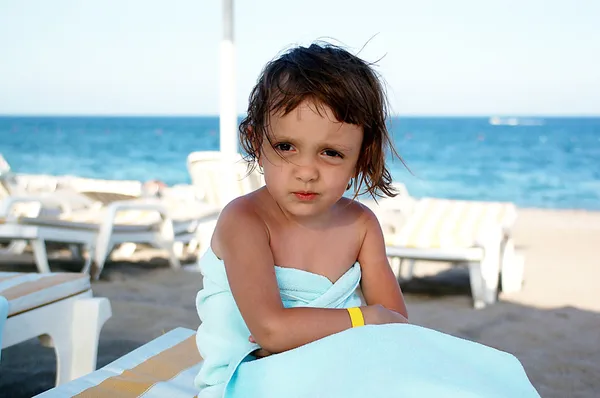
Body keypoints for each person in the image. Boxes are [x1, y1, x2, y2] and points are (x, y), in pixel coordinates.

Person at [194, 42, 540, 398]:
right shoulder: (246, 220)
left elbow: (395, 323)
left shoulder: (359, 225)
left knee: (477, 378)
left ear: (361, 157)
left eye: (331, 153)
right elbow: (271, 332)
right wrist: (363, 319)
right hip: (250, 376)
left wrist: (347, 328)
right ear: (255, 140)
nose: (306, 172)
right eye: (286, 146)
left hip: (338, 365)